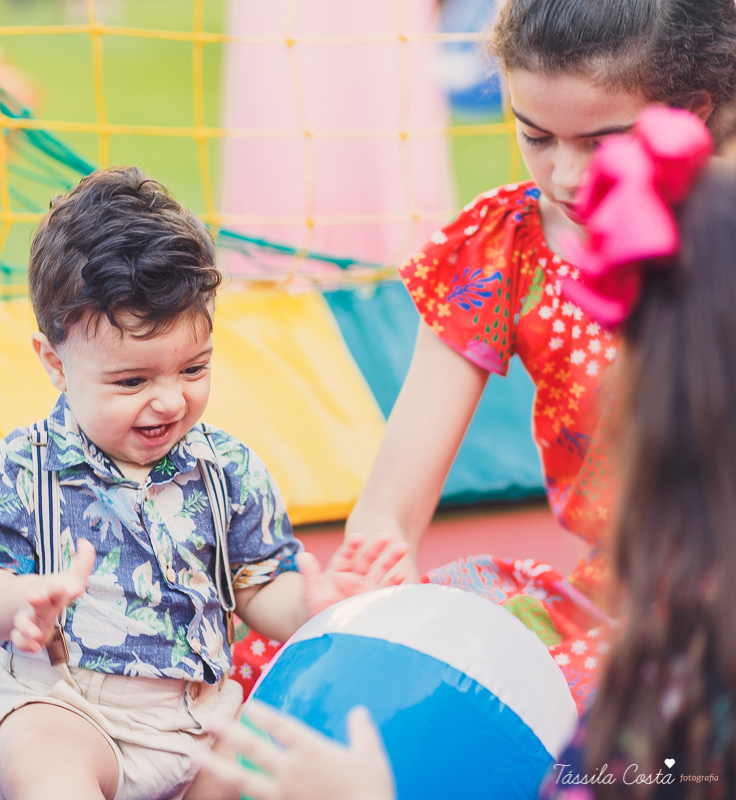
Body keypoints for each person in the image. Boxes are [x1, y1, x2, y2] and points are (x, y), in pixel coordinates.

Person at [201, 105, 736, 800]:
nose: (566, 172)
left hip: (629, 637)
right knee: (283, 666)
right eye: (536, 134)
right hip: (606, 605)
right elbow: (388, 517)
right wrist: (373, 595)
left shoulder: (675, 690)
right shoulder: (511, 238)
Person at [0, 167, 407, 800]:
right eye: (131, 382)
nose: (168, 402)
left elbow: (258, 589)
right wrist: (20, 600)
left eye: (193, 369)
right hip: (74, 706)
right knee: (41, 754)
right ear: (55, 362)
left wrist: (309, 605)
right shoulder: (24, 466)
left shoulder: (229, 471)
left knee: (284, 762)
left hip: (205, 720)